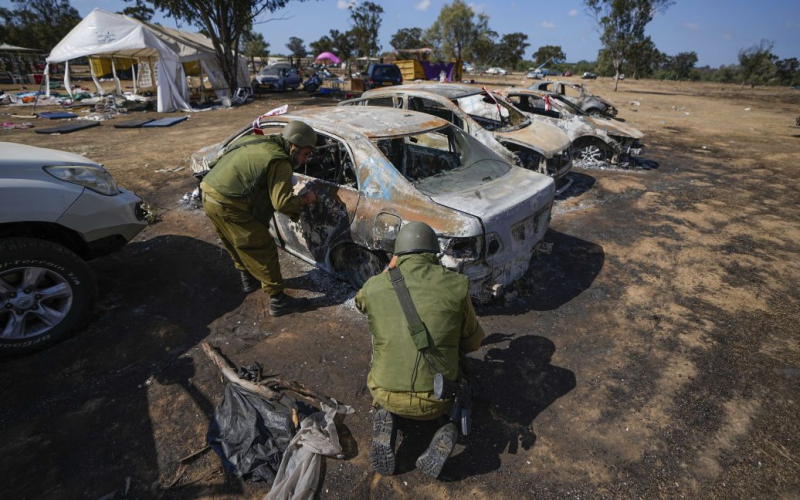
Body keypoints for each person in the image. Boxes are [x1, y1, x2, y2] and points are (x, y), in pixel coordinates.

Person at [355, 222, 485, 479]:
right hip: (437, 399)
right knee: (463, 374)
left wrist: (386, 272)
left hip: (384, 392)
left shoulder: (373, 287)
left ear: (397, 254)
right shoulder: (456, 285)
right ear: (434, 252)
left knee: (380, 342)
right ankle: (447, 428)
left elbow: (360, 303)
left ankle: (385, 413)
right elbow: (473, 344)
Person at [200, 120, 318, 317]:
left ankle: (248, 278)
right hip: (228, 203)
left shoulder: (254, 140)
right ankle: (278, 301)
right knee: (262, 246)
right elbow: (282, 203)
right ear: (293, 146)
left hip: (208, 193)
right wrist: (305, 199)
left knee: (234, 241)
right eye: (305, 153)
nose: (306, 159)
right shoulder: (280, 160)